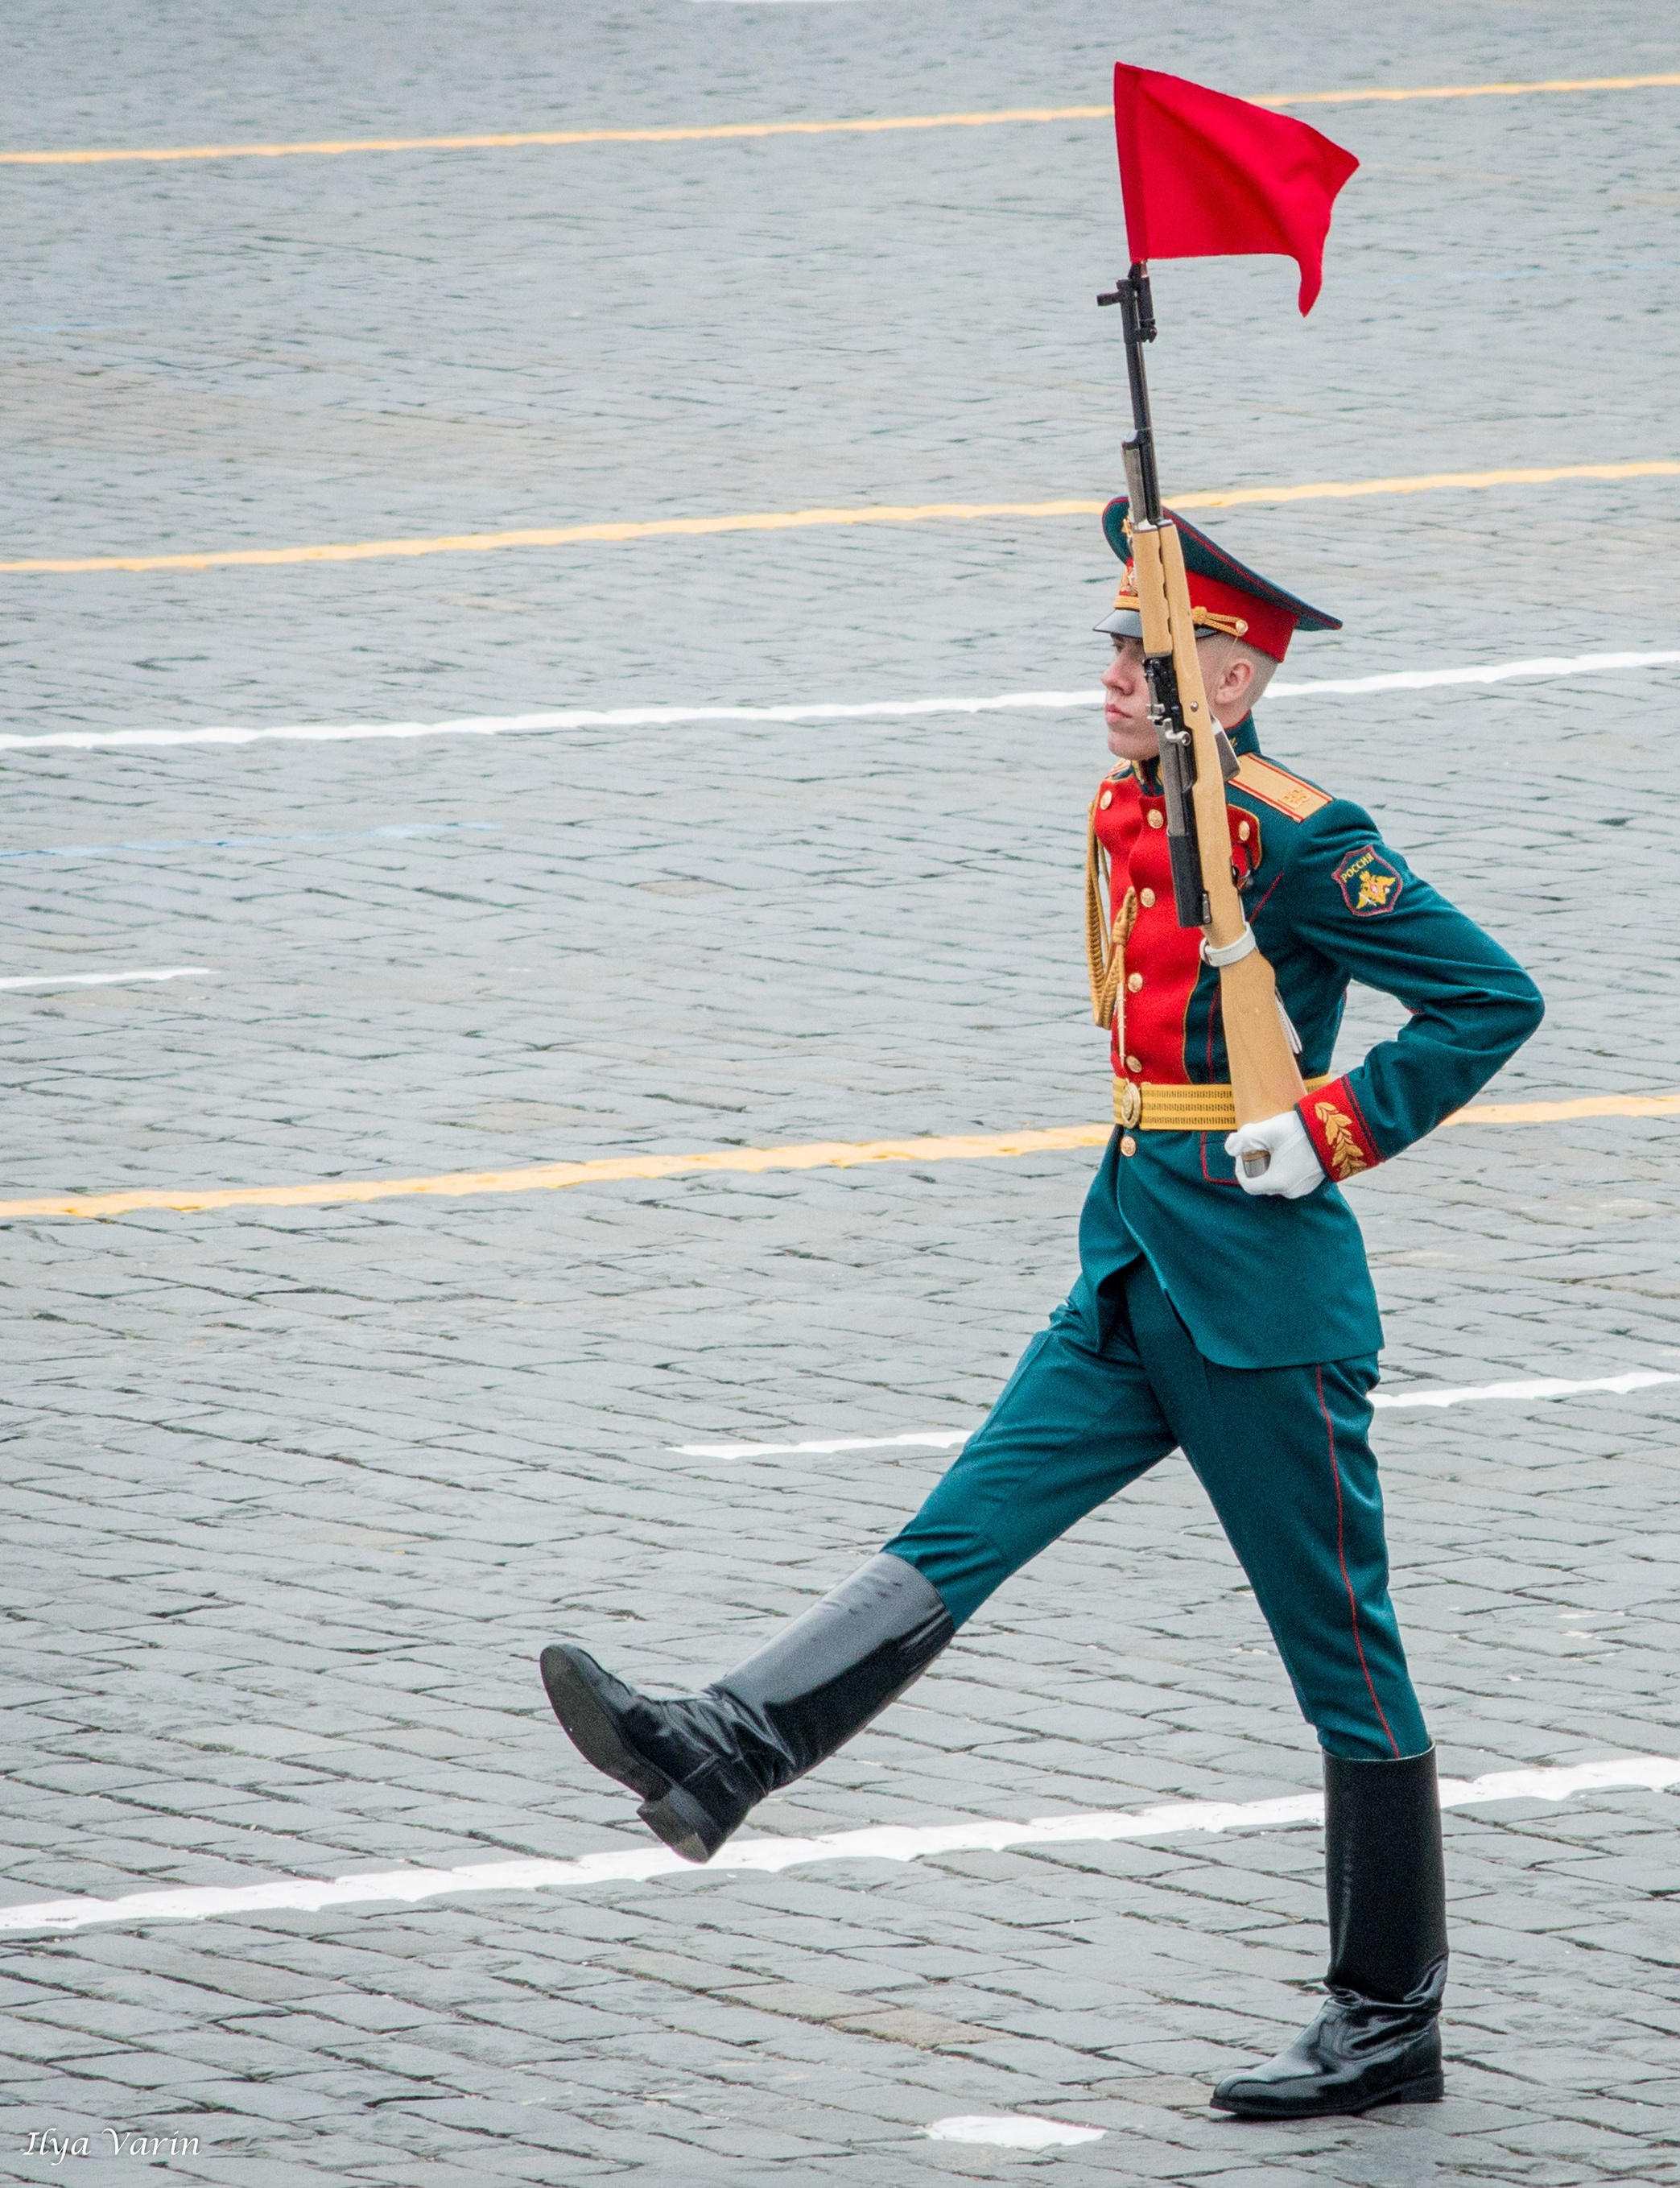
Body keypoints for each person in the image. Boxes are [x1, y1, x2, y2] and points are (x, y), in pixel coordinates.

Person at [539, 502, 1544, 2120]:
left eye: (1149, 657)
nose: (1112, 677)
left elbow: (1492, 995)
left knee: (1342, 1657)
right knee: (962, 1528)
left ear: (1229, 685)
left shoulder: (1298, 834)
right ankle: (725, 1745)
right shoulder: (1135, 808)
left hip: (1262, 1300)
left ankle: (1386, 2013)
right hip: (1134, 1256)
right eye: (1114, 647)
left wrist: (1336, 1126)